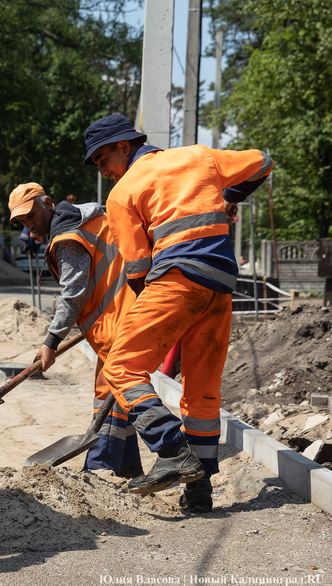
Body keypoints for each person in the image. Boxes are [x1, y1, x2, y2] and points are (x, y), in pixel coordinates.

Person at [83, 114, 273, 512]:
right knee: (202, 391)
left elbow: (136, 270)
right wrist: (229, 198)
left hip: (176, 280)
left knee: (121, 367)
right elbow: (263, 161)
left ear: (125, 146)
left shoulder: (122, 194)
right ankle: (199, 492)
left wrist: (155, 312)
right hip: (220, 285)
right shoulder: (199, 157)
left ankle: (171, 450)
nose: (102, 169)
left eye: (103, 159)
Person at [7, 182, 141, 478]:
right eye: (23, 221)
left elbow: (73, 294)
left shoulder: (68, 237)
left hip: (120, 321)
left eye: (31, 216)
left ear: (48, 203)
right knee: (117, 393)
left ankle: (100, 467)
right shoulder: (87, 220)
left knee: (111, 387)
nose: (29, 225)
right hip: (124, 315)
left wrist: (51, 342)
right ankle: (129, 468)